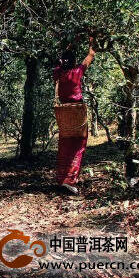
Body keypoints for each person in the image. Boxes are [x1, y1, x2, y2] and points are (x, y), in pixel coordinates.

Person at [53, 37, 96, 195]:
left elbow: (59, 60)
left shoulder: (58, 73)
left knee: (65, 145)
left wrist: (70, 44)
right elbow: (91, 55)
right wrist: (91, 40)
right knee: (78, 145)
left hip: (64, 112)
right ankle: (70, 180)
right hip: (77, 111)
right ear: (73, 61)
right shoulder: (77, 71)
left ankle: (62, 178)